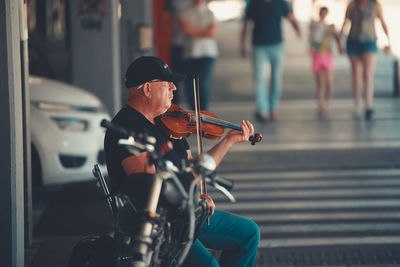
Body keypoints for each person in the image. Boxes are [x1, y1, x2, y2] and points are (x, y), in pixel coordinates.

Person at [104, 56, 260, 267]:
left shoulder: (168, 123)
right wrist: (191, 195)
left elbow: (192, 168)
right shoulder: (126, 127)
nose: (174, 88)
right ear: (148, 89)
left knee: (249, 233)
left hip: (184, 215)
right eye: (167, 83)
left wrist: (229, 141)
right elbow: (150, 189)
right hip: (157, 227)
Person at [240, 0, 301, 122]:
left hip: (277, 46)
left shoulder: (280, 3)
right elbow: (246, 23)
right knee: (260, 79)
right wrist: (242, 44)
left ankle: (273, 108)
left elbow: (291, 17)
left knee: (276, 79)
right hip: (259, 46)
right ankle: (262, 110)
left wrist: (298, 30)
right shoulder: (254, 4)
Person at [340, 0, 391, 120]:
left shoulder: (376, 5)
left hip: (369, 41)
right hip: (353, 41)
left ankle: (368, 105)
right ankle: (357, 104)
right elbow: (345, 22)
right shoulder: (352, 5)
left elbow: (382, 22)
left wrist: (388, 40)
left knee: (368, 75)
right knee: (356, 76)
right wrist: (339, 39)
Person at [179, 0, 218, 110]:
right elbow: (186, 30)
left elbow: (212, 33)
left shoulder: (210, 13)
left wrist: (194, 31)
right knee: (190, 85)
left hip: (207, 53)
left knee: (204, 84)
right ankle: (194, 111)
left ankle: (204, 113)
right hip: (190, 53)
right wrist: (204, 31)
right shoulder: (185, 12)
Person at [309, 6, 343, 116]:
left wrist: (339, 47)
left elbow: (337, 37)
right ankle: (321, 104)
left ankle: (327, 103)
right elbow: (311, 41)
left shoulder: (330, 27)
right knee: (320, 82)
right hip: (318, 55)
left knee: (328, 81)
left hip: (327, 55)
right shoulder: (314, 25)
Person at [160, 0, 193, 104]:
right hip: (180, 44)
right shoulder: (173, 2)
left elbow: (163, 18)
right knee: (177, 79)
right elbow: (163, 19)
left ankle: (193, 109)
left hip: (192, 46)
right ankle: (176, 107)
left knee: (190, 80)